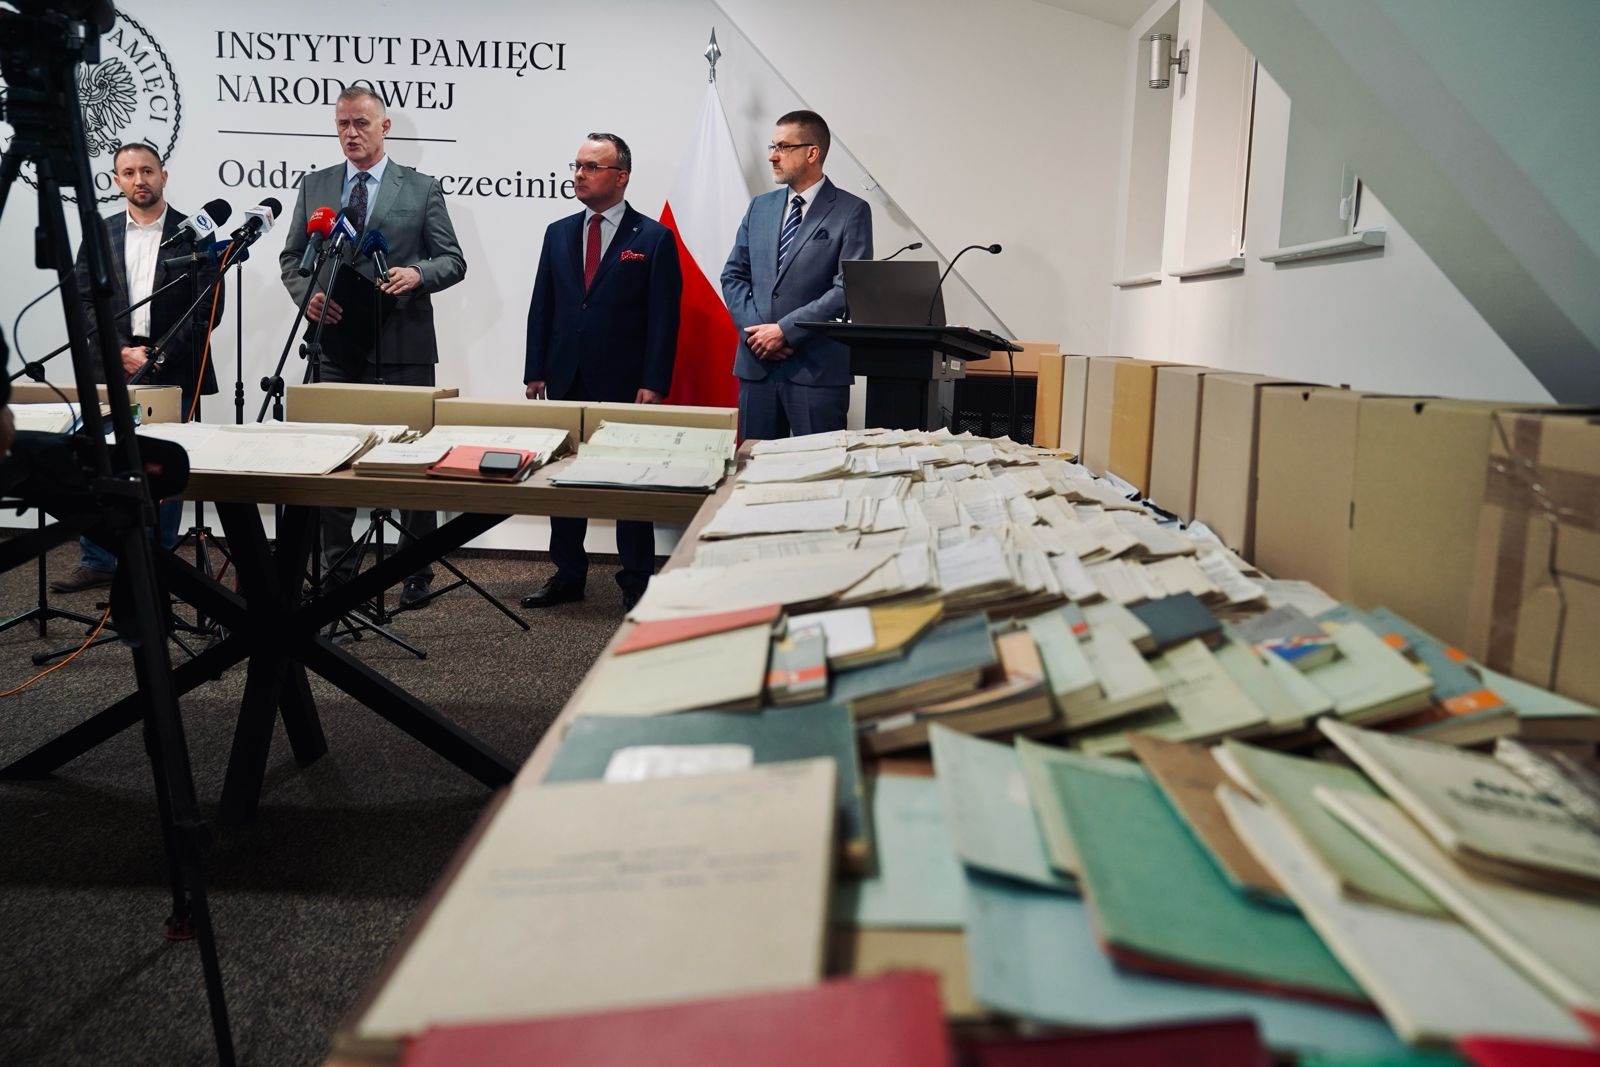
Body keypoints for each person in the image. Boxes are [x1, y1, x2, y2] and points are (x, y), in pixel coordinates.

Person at [279, 87, 467, 608]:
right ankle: (338, 571)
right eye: (342, 124)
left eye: (360, 123)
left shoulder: (422, 188)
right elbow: (292, 258)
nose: (350, 133)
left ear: (385, 127)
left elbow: (452, 260)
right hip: (336, 343)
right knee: (334, 458)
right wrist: (309, 296)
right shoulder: (316, 184)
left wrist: (417, 274)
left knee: (412, 458)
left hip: (402, 341)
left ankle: (415, 568)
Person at [50, 143, 225, 593]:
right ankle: (99, 559)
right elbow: (82, 301)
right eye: (128, 173)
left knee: (162, 466)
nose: (139, 180)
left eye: (147, 170)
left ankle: (157, 560)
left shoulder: (195, 234)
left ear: (164, 175)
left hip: (174, 368)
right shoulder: (100, 232)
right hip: (111, 365)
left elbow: (208, 309)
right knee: (99, 460)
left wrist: (159, 355)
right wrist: (121, 350)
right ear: (117, 181)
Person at [521, 132, 682, 612]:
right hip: (565, 375)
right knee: (564, 480)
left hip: (626, 382)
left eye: (591, 167)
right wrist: (535, 369)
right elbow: (542, 304)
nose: (579, 175)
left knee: (631, 483)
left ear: (621, 176)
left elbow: (664, 318)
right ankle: (568, 573)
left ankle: (636, 579)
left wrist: (654, 381)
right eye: (577, 165)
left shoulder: (652, 237)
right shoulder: (558, 232)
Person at [722, 110, 872, 442]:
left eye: (783, 147)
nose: (772, 156)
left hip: (816, 369)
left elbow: (847, 287)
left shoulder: (851, 210)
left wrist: (785, 332)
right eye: (772, 146)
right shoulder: (759, 207)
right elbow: (733, 276)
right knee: (754, 467)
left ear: (812, 153)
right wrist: (758, 335)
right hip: (758, 366)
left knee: (821, 468)